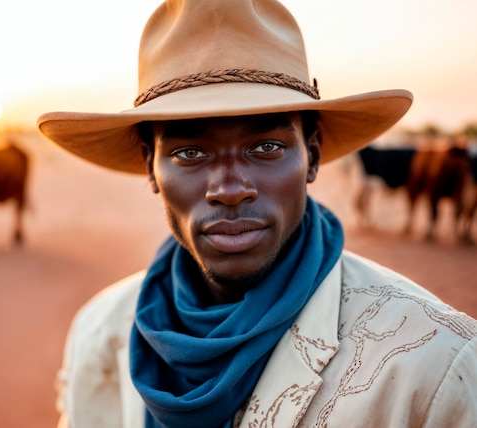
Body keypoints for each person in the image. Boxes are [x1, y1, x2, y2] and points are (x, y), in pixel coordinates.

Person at [37, 0, 477, 426]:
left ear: (313, 156)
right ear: (150, 167)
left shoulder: (433, 364)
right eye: (189, 152)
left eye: (267, 147)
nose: (229, 189)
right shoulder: (99, 330)